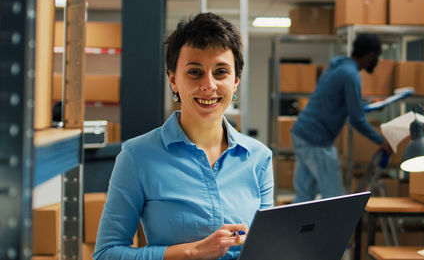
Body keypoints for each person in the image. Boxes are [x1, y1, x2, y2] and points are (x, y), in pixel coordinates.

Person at [93, 13, 274, 260]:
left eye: (221, 72)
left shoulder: (258, 157)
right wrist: (192, 252)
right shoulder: (138, 156)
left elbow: (265, 247)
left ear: (235, 82)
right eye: (194, 72)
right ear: (173, 80)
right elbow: (106, 254)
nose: (208, 85)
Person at [290, 33, 392, 203]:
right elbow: (356, 119)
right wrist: (381, 141)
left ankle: (290, 229)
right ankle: (334, 230)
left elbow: (340, 101)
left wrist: (365, 103)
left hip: (301, 133)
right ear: (371, 55)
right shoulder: (351, 75)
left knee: (304, 197)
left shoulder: (337, 67)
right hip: (317, 140)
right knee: (334, 200)